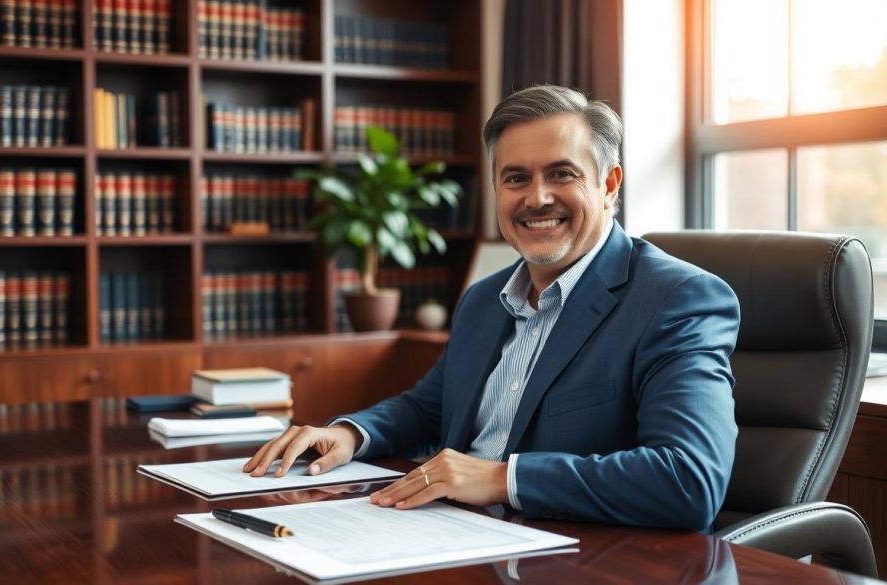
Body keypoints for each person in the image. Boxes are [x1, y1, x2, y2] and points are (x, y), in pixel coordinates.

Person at [243, 84, 740, 531]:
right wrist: (351, 433)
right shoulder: (485, 298)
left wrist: (503, 479)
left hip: (573, 555)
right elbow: (429, 407)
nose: (537, 197)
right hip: (448, 532)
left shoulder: (677, 299)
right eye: (516, 178)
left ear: (609, 185)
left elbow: (689, 480)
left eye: (562, 173)